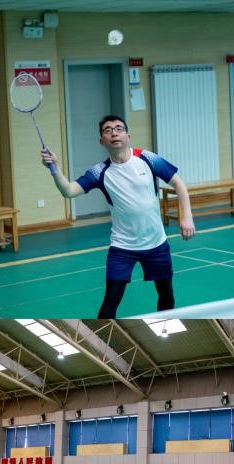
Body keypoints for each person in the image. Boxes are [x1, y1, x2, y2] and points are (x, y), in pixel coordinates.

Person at [41, 116, 195, 318]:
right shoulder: (99, 171)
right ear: (101, 141)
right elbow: (68, 191)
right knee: (110, 301)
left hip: (156, 243)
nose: (114, 133)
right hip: (122, 247)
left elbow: (179, 184)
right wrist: (55, 168)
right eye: (107, 130)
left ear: (128, 136)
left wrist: (187, 217)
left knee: (166, 294)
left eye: (119, 128)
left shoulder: (147, 158)